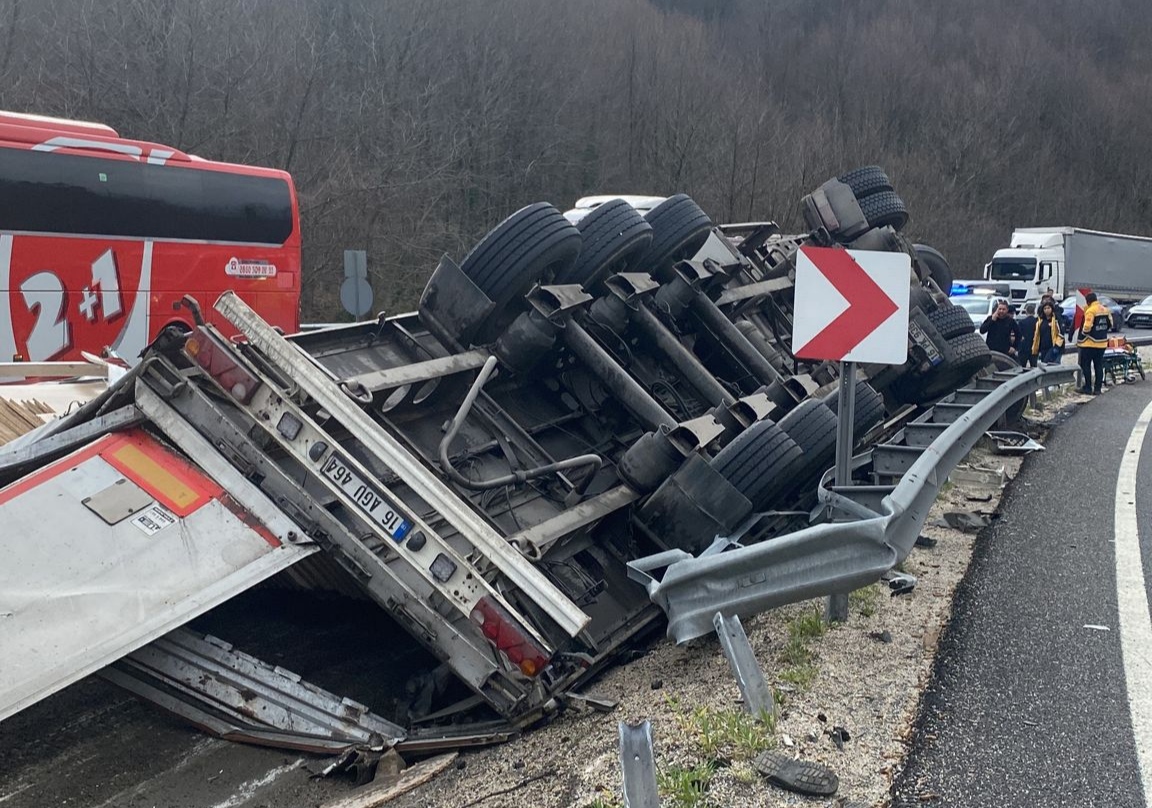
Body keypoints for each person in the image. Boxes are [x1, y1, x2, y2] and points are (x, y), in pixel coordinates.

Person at [1076, 291, 1113, 394]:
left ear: (1088, 301)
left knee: (1086, 365)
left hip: (1090, 343)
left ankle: (1088, 388)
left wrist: (1083, 335)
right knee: (1098, 365)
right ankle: (1097, 389)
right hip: (1102, 343)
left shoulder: (1090, 311)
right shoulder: (1105, 310)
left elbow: (1087, 326)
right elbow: (1110, 324)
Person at [1016, 302, 1038, 367]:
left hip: (1023, 347)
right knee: (1034, 366)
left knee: (1022, 366)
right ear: (1034, 312)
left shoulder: (1022, 322)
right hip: (1034, 347)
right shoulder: (1037, 322)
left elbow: (1019, 335)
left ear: (1026, 312)